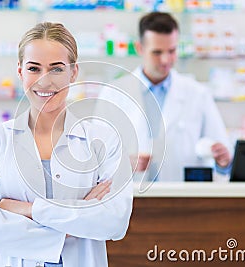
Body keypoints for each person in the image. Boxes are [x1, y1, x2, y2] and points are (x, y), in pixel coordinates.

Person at [0, 22, 133, 267]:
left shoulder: (104, 141)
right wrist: (79, 217)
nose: (44, 81)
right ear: (20, 72)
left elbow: (114, 222)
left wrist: (30, 210)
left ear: (73, 72)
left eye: (56, 69)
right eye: (34, 68)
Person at [96, 12, 232, 182]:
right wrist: (122, 164)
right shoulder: (113, 94)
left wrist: (223, 160)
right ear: (140, 48)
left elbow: (221, 154)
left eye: (172, 50)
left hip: (183, 196)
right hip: (131, 196)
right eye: (157, 52)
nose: (166, 59)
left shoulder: (197, 93)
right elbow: (97, 157)